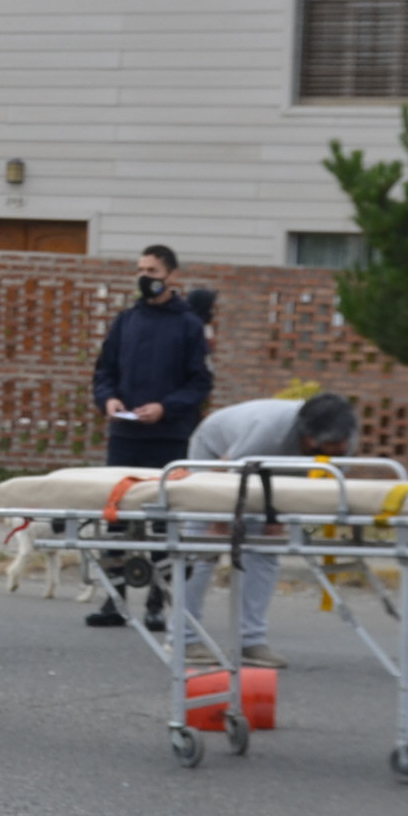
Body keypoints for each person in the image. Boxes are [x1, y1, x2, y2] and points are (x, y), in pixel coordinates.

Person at [177, 393, 357, 669]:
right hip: (218, 455)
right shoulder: (267, 430)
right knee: (204, 550)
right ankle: (184, 638)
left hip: (277, 473)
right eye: (327, 445)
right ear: (305, 435)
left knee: (266, 551)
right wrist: (218, 520)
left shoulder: (342, 437)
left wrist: (279, 516)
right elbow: (224, 472)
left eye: (339, 445)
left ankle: (250, 641)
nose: (336, 449)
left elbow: (326, 480)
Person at [86, 244, 212, 629]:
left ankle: (158, 600)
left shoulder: (189, 325)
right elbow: (103, 372)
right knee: (118, 517)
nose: (145, 277)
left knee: (162, 519)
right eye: (140, 269)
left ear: (171, 276)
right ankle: (115, 597)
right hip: (125, 433)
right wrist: (108, 400)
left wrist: (165, 407)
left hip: (169, 437)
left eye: (153, 270)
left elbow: (200, 383)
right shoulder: (125, 321)